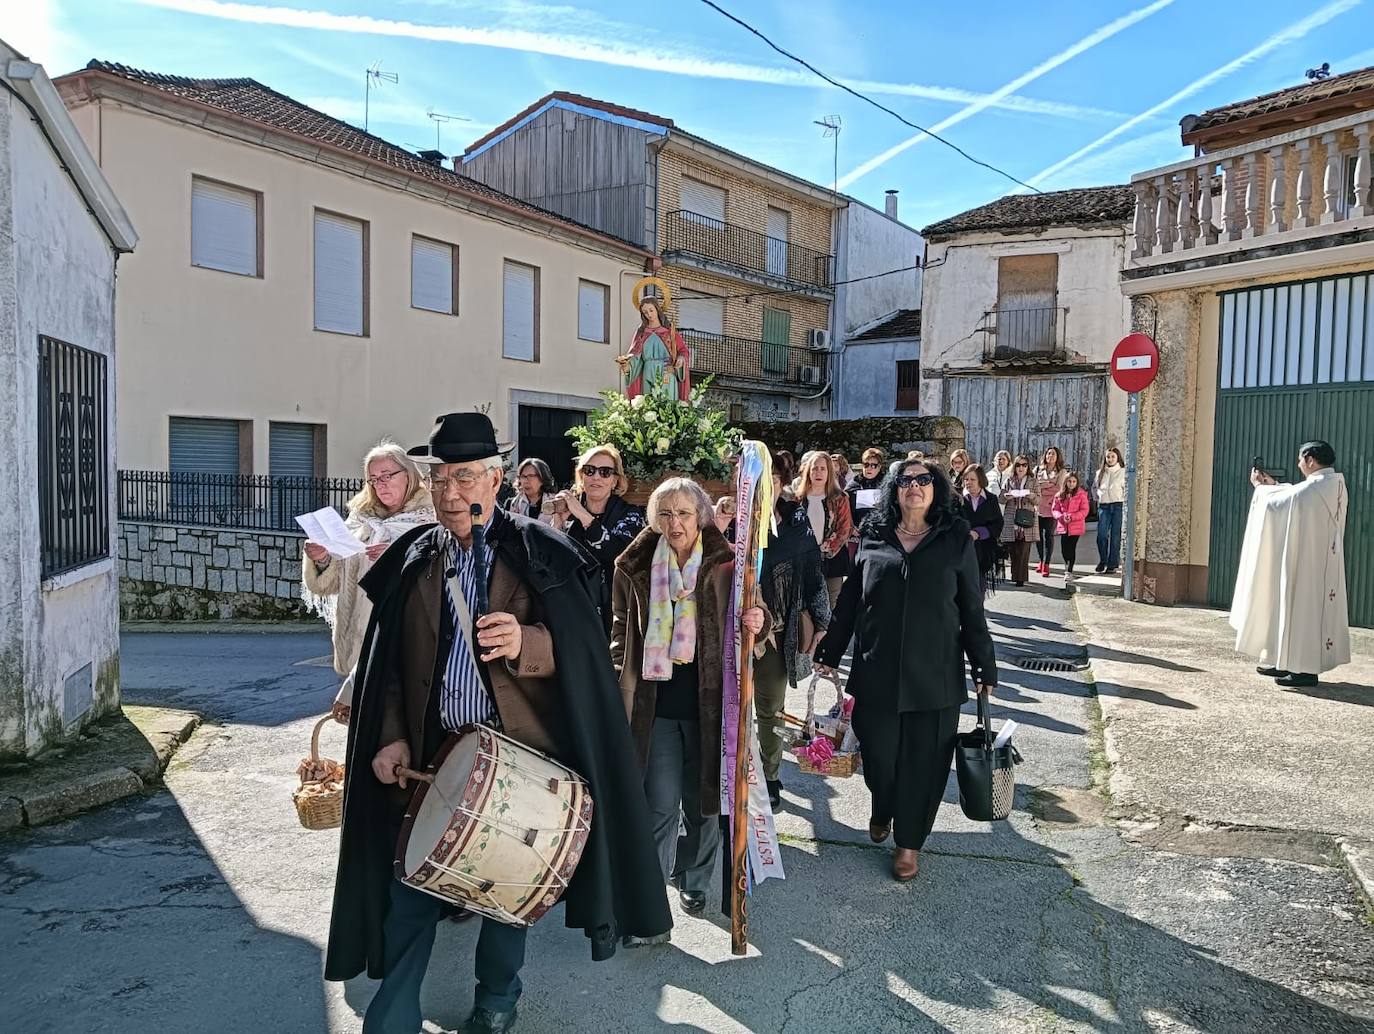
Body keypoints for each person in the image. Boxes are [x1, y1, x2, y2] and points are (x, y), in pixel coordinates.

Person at [324, 413, 670, 1034]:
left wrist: (527, 641)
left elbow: (586, 652)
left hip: (519, 757)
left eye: (462, 478)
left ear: (494, 478)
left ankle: (497, 999)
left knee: (506, 893)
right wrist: (392, 733)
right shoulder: (414, 556)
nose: (449, 493)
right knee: (412, 888)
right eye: (439, 479)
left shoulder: (540, 550)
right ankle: (393, 1015)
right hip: (433, 756)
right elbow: (392, 667)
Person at [814, 459, 997, 882]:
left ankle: (909, 843)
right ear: (894, 490)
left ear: (937, 489)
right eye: (906, 480)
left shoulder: (955, 540)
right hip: (876, 671)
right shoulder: (874, 537)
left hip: (935, 678)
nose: (914, 486)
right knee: (879, 759)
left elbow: (971, 608)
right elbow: (850, 603)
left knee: (926, 763)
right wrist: (831, 650)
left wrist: (983, 665)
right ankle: (883, 805)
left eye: (924, 480)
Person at [610, 479, 764, 927]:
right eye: (665, 514)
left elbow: (759, 613)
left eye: (682, 513)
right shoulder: (634, 566)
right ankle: (651, 903)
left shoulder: (727, 564)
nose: (674, 523)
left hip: (712, 707)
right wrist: (618, 673)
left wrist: (759, 618)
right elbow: (620, 629)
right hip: (654, 707)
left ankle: (694, 882)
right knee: (657, 805)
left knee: (704, 805)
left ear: (701, 516)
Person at [302, 440, 435, 724]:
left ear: (409, 473)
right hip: (359, 642)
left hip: (406, 640)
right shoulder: (360, 520)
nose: (380, 485)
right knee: (363, 733)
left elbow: (437, 578)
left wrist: (398, 555)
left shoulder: (431, 517)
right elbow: (329, 584)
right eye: (374, 479)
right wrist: (322, 558)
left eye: (388, 475)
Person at [1229, 441, 1350, 689]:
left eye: (1300, 459)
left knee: (1302, 612)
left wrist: (1260, 489)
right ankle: (1285, 660)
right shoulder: (1332, 484)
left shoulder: (1315, 490)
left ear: (1310, 459)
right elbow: (1295, 495)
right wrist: (1274, 486)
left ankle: (1304, 670)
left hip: (1307, 566)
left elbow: (1283, 503)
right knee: (1293, 610)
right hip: (1316, 562)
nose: (1298, 464)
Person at [755, 456, 830, 808]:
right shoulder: (730, 517)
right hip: (731, 632)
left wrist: (820, 623)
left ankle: (770, 778)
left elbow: (813, 570)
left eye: (770, 479)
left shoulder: (795, 518)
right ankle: (733, 774)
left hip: (777, 633)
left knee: (771, 709)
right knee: (727, 709)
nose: (764, 487)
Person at [554, 444, 645, 637]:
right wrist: (558, 524)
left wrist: (583, 516)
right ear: (581, 477)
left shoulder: (630, 515)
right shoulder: (568, 513)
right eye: (589, 470)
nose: (596, 477)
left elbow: (615, 553)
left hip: (614, 613)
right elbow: (549, 561)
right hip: (572, 612)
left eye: (605, 472)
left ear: (615, 481)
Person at [793, 450, 853, 612]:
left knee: (832, 608)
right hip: (802, 562)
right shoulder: (796, 499)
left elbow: (845, 529)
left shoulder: (840, 498)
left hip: (832, 563)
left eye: (823, 468)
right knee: (805, 608)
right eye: (815, 468)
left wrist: (826, 549)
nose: (818, 472)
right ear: (808, 471)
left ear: (829, 472)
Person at [617, 296, 691, 401]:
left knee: (666, 403)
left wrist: (680, 359)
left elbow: (683, 351)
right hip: (648, 372)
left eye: (651, 310)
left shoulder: (669, 332)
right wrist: (628, 366)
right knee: (648, 404)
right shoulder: (642, 333)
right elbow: (635, 355)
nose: (649, 315)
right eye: (645, 312)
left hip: (666, 370)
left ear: (657, 309)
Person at [961, 464, 1004, 596]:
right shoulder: (958, 499)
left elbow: (998, 523)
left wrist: (979, 533)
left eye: (972, 479)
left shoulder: (991, 499)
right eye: (966, 479)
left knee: (979, 584)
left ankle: (977, 611)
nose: (968, 483)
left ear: (980, 480)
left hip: (984, 549)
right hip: (962, 548)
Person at [999, 455, 1038, 587]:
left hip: (1026, 518)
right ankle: (1015, 576)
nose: (1021, 468)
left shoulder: (1033, 481)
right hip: (1011, 518)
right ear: (1014, 467)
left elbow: (1039, 500)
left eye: (1024, 465)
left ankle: (1020, 578)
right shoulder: (1009, 480)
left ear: (1028, 467)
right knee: (1014, 550)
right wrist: (1007, 496)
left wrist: (1032, 497)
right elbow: (1001, 498)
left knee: (1023, 550)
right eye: (1018, 465)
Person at [1033, 446, 1068, 577]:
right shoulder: (1038, 469)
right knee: (1037, 536)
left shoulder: (1061, 471)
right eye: (1048, 454)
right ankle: (1041, 560)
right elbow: (1034, 486)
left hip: (1051, 506)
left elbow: (1058, 488)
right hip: (1038, 506)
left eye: (1053, 454)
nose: (1050, 456)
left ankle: (1047, 563)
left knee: (1048, 535)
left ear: (1057, 457)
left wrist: (1043, 487)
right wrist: (1049, 485)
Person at [1051, 472, 1090, 589]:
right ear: (1065, 482)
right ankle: (1067, 565)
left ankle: (1069, 570)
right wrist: (1061, 517)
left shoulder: (1081, 494)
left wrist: (1072, 516)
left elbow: (1084, 510)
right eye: (1069, 481)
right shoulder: (1059, 495)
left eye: (1074, 481)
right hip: (1064, 525)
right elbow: (1055, 510)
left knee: (1071, 548)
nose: (1071, 484)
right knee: (1064, 548)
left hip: (1076, 526)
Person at [1093, 448, 1125, 574]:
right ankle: (1103, 560)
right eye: (1108, 457)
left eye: (1113, 456)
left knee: (1115, 536)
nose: (1110, 459)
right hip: (1104, 506)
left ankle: (1112, 564)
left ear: (1117, 458)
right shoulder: (1100, 473)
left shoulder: (1123, 472)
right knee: (1101, 535)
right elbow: (1095, 488)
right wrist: (1098, 497)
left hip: (1118, 505)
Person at [506, 457, 558, 525]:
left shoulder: (556, 503)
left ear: (542, 479)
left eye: (531, 476)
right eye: (523, 476)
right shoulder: (512, 504)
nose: (526, 481)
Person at [846, 448, 886, 531]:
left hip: (881, 529)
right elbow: (844, 508)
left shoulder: (886, 485)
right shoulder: (853, 484)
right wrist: (850, 526)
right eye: (866, 464)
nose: (869, 468)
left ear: (879, 467)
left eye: (873, 465)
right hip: (857, 530)